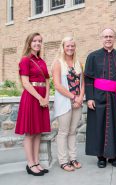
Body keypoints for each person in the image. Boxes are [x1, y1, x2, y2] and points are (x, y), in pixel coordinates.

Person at [84, 28, 116, 168]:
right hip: (98, 96)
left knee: (115, 125)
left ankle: (114, 156)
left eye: (111, 36)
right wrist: (89, 98)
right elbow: (88, 79)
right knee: (99, 126)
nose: (108, 39)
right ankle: (101, 157)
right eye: (106, 36)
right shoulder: (93, 56)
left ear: (115, 39)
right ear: (101, 38)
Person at [15, 32, 50, 176]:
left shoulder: (41, 60)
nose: (37, 43)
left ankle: (37, 162)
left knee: (38, 132)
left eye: (39, 41)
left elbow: (47, 80)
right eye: (35, 41)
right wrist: (39, 98)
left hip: (42, 98)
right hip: (31, 98)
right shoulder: (25, 60)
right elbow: (25, 82)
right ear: (29, 43)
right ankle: (30, 164)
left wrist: (46, 97)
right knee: (30, 133)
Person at [52, 36, 85, 171]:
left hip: (77, 102)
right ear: (63, 47)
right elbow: (58, 85)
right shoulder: (58, 63)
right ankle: (63, 161)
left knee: (72, 131)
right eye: (68, 46)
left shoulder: (77, 62)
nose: (70, 48)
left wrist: (80, 97)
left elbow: (83, 82)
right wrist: (73, 97)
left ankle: (73, 158)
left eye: (72, 46)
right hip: (65, 102)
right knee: (64, 132)